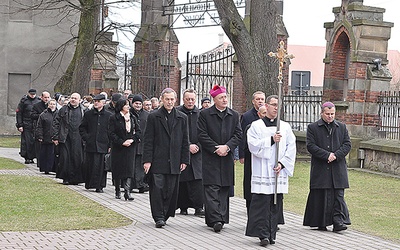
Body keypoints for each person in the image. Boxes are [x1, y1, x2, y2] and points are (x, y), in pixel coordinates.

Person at [245, 95, 296, 246]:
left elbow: (291, 147)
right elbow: (252, 146)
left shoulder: (285, 127)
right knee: (262, 204)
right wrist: (271, 140)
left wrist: (282, 163)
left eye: (278, 105)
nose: (275, 108)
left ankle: (272, 232)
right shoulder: (256, 126)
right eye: (273, 105)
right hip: (262, 170)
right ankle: (263, 234)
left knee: (275, 204)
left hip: (277, 171)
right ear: (266, 106)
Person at [142, 88, 190, 228]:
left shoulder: (182, 118)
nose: (169, 102)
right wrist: (147, 160)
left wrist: (184, 159)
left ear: (175, 100)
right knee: (157, 189)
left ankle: (166, 213)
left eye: (172, 99)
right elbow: (148, 140)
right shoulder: (153, 116)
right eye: (167, 99)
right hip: (158, 159)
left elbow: (185, 141)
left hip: (174, 160)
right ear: (162, 99)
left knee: (171, 189)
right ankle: (158, 216)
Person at [197, 85, 242, 233]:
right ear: (214, 99)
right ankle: (215, 219)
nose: (224, 99)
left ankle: (221, 218)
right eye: (221, 97)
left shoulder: (234, 115)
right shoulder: (205, 115)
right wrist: (216, 148)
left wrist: (227, 147)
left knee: (223, 188)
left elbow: (238, 134)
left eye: (225, 97)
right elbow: (202, 135)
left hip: (226, 158)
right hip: (211, 157)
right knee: (211, 188)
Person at [303, 101, 352, 232]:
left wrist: (336, 155)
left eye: (332, 114)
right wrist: (326, 155)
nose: (330, 116)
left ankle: (338, 221)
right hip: (321, 167)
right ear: (322, 113)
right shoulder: (313, 128)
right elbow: (311, 146)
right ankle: (321, 221)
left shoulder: (341, 127)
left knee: (338, 195)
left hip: (337, 166)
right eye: (327, 114)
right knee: (321, 195)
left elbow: (347, 144)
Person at [176, 89, 205, 217]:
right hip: (182, 151)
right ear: (183, 99)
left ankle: (199, 207)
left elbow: (205, 133)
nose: (190, 101)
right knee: (183, 181)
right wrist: (187, 146)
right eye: (188, 99)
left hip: (198, 152)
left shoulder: (201, 114)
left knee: (198, 181)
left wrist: (197, 146)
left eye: (192, 99)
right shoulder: (178, 113)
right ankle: (183, 206)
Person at [108, 98, 141, 200]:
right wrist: (122, 142)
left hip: (130, 147)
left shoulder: (132, 117)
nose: (128, 107)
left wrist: (132, 140)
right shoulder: (114, 118)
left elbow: (139, 131)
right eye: (126, 105)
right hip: (118, 147)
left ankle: (127, 191)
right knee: (118, 169)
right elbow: (111, 133)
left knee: (129, 169)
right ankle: (118, 190)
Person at [238, 91, 266, 213]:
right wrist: (242, 154)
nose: (260, 101)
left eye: (262, 99)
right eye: (258, 99)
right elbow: (242, 136)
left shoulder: (268, 115)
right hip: (250, 154)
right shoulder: (247, 116)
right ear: (253, 101)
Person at [79, 94, 112, 193]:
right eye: (95, 101)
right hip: (91, 143)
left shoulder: (108, 115)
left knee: (101, 166)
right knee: (90, 164)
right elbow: (82, 128)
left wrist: (110, 144)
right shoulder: (88, 114)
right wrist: (87, 138)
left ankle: (100, 185)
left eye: (98, 101)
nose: (96, 103)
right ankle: (90, 183)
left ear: (103, 102)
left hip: (103, 144)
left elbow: (111, 131)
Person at [52, 93, 85, 185]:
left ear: (79, 100)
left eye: (75, 98)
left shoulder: (83, 110)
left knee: (77, 158)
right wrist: (55, 137)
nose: (73, 100)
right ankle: (65, 178)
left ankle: (76, 179)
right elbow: (56, 123)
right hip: (65, 137)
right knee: (65, 158)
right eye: (72, 98)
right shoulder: (63, 109)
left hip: (78, 138)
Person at [130, 94, 150, 193]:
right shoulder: (128, 113)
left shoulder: (147, 115)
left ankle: (141, 184)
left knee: (140, 166)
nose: (138, 105)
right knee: (131, 165)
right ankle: (131, 184)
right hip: (131, 144)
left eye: (139, 104)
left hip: (143, 143)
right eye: (136, 103)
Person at [16, 88, 41, 164]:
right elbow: (19, 113)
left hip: (35, 124)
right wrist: (20, 125)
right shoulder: (24, 101)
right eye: (31, 94)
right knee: (26, 142)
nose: (32, 96)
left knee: (34, 142)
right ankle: (27, 156)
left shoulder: (38, 101)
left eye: (34, 94)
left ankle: (33, 156)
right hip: (26, 123)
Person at [35, 99, 58, 174]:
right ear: (48, 105)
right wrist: (40, 136)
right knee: (45, 154)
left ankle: (54, 168)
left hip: (55, 137)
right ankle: (46, 168)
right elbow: (39, 126)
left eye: (53, 104)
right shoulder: (43, 114)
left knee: (54, 154)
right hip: (46, 137)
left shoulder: (59, 114)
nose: (52, 105)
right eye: (50, 104)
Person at [31, 91, 51, 168]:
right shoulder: (36, 106)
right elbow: (32, 115)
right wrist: (42, 116)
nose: (46, 99)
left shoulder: (51, 105)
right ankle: (40, 163)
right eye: (45, 97)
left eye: (48, 97)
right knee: (39, 148)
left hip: (49, 130)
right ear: (41, 97)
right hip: (39, 128)